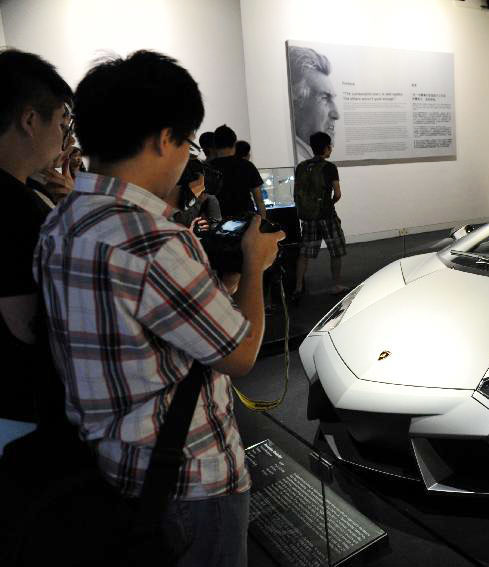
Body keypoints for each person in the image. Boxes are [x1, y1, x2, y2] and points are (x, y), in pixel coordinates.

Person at [34, 50, 284, 565]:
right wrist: (255, 267)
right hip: (190, 481)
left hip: (112, 467)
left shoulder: (60, 222)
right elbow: (238, 355)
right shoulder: (153, 242)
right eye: (187, 142)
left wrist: (226, 277)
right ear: (163, 138)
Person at [0, 49, 72, 429]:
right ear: (30, 119)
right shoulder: (14, 206)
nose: (63, 136)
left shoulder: (24, 195)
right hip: (21, 409)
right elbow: (27, 325)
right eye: (62, 122)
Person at [292, 131, 348, 297]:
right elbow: (337, 193)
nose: (330, 149)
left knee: (304, 253)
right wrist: (328, 204)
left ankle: (298, 286)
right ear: (325, 148)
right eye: (329, 146)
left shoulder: (302, 166)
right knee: (335, 250)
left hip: (308, 217)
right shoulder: (330, 168)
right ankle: (336, 285)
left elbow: (297, 192)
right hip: (327, 216)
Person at [287, 47, 340, 163]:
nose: (336, 114)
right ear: (296, 101)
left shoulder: (303, 163)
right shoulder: (298, 160)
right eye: (325, 98)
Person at [210, 124, 266, 219]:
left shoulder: (208, 167)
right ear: (234, 144)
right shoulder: (247, 166)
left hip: (218, 221)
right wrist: (263, 222)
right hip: (246, 220)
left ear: (215, 145)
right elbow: (259, 200)